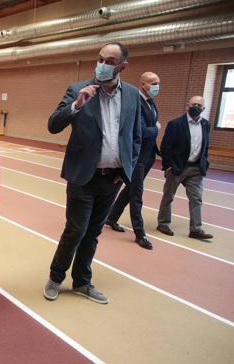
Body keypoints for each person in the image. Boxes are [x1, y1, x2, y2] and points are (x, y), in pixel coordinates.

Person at [43, 42, 141, 304]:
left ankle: (82, 282)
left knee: (93, 232)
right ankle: (55, 277)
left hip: (112, 179)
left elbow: (135, 137)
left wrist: (125, 167)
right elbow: (53, 125)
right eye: (100, 59)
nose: (103, 65)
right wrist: (75, 106)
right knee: (75, 230)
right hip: (82, 177)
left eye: (110, 61)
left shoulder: (132, 96)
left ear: (123, 66)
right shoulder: (78, 90)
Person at [106, 72, 161, 250]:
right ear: (143, 84)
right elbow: (139, 130)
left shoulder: (151, 102)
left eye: (158, 83)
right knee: (136, 195)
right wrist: (156, 129)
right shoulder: (135, 102)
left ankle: (111, 218)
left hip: (148, 156)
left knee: (129, 190)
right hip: (136, 158)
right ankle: (140, 233)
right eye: (153, 83)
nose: (156, 86)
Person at [157, 96, 213, 240]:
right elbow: (165, 147)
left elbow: (205, 146)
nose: (196, 107)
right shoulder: (175, 124)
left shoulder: (206, 125)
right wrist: (168, 166)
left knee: (196, 198)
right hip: (177, 167)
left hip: (196, 169)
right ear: (187, 106)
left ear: (204, 108)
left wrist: (204, 164)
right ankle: (163, 223)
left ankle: (196, 229)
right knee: (168, 196)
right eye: (193, 104)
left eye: (199, 105)